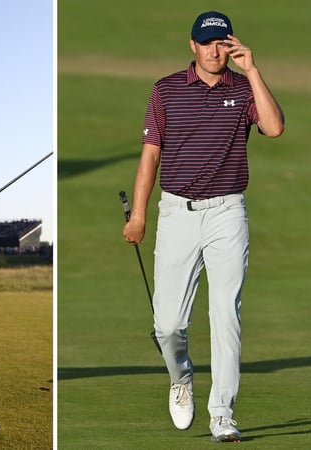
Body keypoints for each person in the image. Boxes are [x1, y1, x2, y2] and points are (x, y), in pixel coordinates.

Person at [122, 11, 284, 443]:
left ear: (230, 45)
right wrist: (139, 215)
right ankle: (181, 378)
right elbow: (150, 157)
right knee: (168, 324)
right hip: (177, 213)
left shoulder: (244, 88)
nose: (215, 51)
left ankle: (222, 413)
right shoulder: (166, 90)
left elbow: (273, 127)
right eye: (206, 43)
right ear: (192, 45)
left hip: (228, 213)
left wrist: (253, 71)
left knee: (225, 314)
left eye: (222, 43)